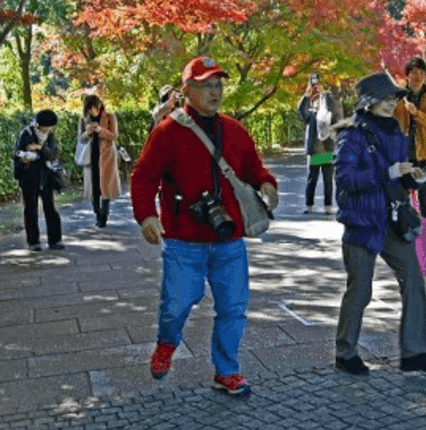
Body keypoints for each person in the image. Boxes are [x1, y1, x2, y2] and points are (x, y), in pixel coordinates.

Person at [130, 55, 279, 396]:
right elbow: (143, 176)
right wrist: (147, 216)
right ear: (187, 91)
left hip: (229, 241)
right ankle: (167, 343)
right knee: (177, 304)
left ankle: (226, 370)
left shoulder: (235, 130)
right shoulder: (167, 132)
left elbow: (254, 169)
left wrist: (268, 184)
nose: (215, 91)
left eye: (219, 84)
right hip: (185, 241)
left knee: (233, 308)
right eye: (206, 85)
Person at [333, 71, 426, 375]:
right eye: (384, 98)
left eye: (393, 98)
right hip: (362, 224)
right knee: (360, 291)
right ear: (368, 102)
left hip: (393, 219)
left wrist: (414, 177)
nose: (390, 103)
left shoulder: (396, 131)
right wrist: (389, 172)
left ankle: (414, 354)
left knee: (414, 281)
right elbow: (346, 179)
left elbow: (399, 178)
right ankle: (345, 352)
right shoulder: (351, 134)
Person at [394, 57, 426, 276]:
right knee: (404, 201)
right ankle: (407, 241)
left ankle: (423, 242)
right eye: (413, 73)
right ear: (407, 75)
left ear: (425, 75)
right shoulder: (397, 97)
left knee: (424, 201)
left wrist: (417, 113)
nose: (417, 77)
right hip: (403, 158)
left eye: (421, 73)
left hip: (425, 157)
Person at [13, 110, 63, 251]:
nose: (47, 129)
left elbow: (52, 154)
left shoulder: (50, 136)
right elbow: (18, 153)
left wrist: (40, 148)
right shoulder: (26, 133)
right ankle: (33, 242)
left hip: (45, 175)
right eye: (45, 126)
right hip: (28, 175)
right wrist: (27, 155)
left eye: (50, 126)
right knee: (31, 208)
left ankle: (55, 240)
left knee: (50, 207)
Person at [298, 73, 342, 214]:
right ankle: (309, 205)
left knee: (328, 181)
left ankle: (328, 206)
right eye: (316, 101)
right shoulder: (310, 116)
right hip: (314, 152)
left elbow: (334, 111)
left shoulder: (328, 115)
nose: (318, 103)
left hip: (327, 150)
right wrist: (307, 95)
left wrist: (324, 94)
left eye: (320, 101)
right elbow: (300, 110)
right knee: (312, 180)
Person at [78, 94, 121, 228]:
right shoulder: (83, 120)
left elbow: (114, 136)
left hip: (106, 156)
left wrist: (101, 130)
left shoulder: (109, 117)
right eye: (89, 109)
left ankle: (104, 216)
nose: (93, 111)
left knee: (106, 187)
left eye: (94, 107)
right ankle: (97, 214)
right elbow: (80, 138)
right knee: (94, 188)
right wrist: (88, 133)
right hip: (91, 156)